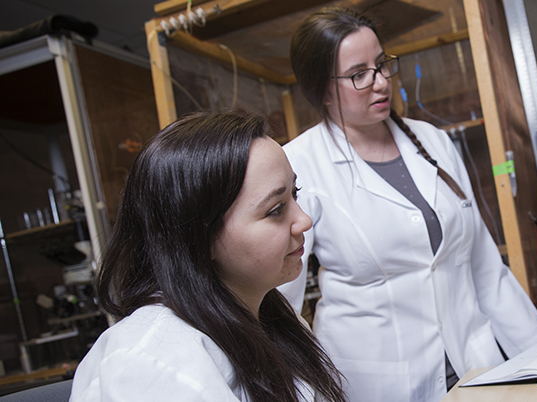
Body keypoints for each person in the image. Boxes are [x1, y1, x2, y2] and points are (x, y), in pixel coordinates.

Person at [278, 7, 537, 402]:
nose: (381, 82)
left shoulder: (432, 142)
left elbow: (484, 268)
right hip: (376, 384)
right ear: (322, 89)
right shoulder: (300, 164)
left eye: (383, 64)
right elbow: (280, 305)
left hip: (474, 368)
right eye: (359, 74)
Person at [70, 111, 346, 402]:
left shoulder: (272, 316)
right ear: (200, 237)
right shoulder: (153, 362)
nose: (304, 221)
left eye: (295, 193)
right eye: (275, 209)